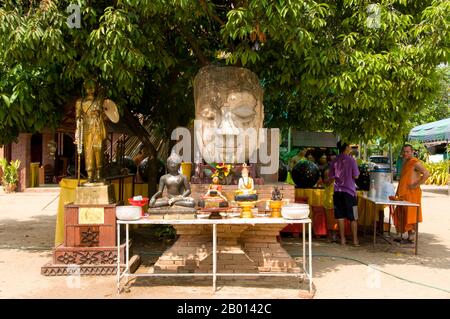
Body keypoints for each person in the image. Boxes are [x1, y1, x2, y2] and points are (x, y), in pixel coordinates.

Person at [75, 80, 117, 184]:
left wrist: (101, 115)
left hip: (97, 127)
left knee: (98, 150)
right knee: (88, 152)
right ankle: (90, 175)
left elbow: (106, 116)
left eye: (93, 86)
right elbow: (78, 118)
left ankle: (99, 175)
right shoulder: (80, 102)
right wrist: (78, 131)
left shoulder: (100, 102)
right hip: (87, 129)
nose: (90, 89)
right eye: (88, 86)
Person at [393, 144, 429, 242]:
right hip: (404, 193)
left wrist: (415, 185)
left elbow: (426, 174)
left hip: (412, 193)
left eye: (407, 152)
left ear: (412, 151)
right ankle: (405, 234)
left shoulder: (415, 163)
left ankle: (411, 236)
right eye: (404, 152)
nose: (405, 154)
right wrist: (398, 190)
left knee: (411, 214)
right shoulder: (405, 162)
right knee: (401, 213)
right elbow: (403, 177)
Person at [328, 141, 360, 246]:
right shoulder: (352, 160)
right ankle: (355, 241)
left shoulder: (334, 160)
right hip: (349, 192)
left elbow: (331, 177)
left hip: (337, 192)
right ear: (346, 147)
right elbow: (356, 176)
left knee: (340, 216)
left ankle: (342, 240)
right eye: (349, 146)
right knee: (353, 217)